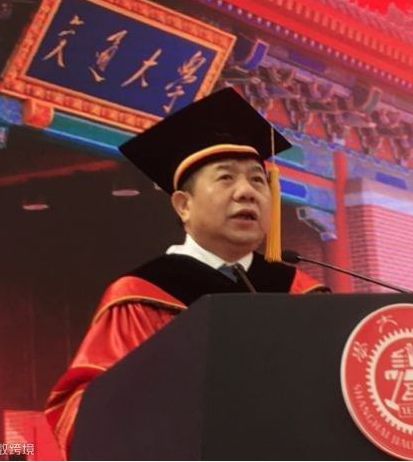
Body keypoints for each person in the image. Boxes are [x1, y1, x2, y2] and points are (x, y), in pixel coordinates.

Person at [44, 88, 327, 457]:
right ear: (183, 205)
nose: (247, 192)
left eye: (258, 180)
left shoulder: (302, 294)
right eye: (226, 178)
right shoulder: (142, 296)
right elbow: (79, 417)